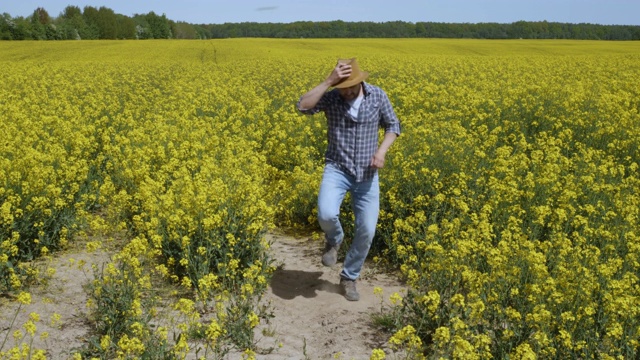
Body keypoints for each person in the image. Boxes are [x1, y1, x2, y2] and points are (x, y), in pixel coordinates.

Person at [296, 58, 401, 301]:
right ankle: (335, 239)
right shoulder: (332, 97)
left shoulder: (377, 96)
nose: (345, 92)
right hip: (337, 168)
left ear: (361, 81)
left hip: (367, 173)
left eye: (350, 87)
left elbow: (393, 125)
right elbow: (302, 106)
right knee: (325, 213)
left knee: (366, 229)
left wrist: (382, 151)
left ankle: (349, 277)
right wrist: (328, 82)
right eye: (341, 87)